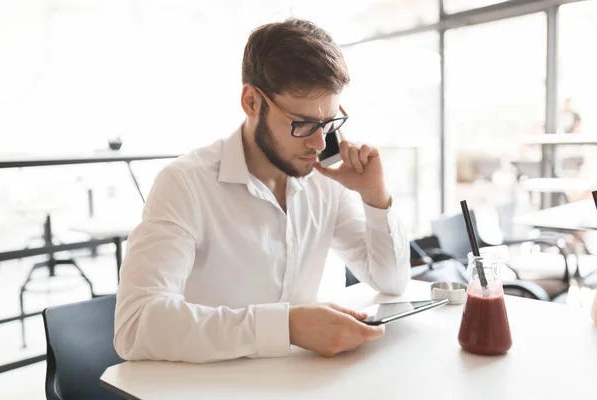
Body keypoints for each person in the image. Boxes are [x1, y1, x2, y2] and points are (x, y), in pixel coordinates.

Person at [114, 18, 410, 364]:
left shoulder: (327, 180)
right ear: (252, 101)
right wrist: (285, 326)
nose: (319, 143)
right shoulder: (185, 184)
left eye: (329, 124)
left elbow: (390, 284)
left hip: (304, 384)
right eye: (303, 124)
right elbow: (135, 327)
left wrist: (375, 196)